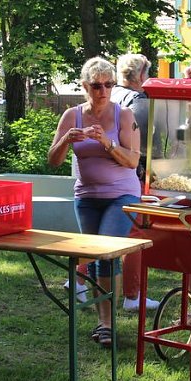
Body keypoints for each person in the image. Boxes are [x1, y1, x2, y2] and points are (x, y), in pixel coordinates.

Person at [47, 57, 142, 348]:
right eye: (97, 85)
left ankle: (108, 325)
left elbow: (133, 161)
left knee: (105, 252)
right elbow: (53, 161)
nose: (103, 90)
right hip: (87, 197)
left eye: (109, 84)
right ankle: (103, 321)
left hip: (122, 194)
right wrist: (66, 140)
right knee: (95, 256)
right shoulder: (71, 116)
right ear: (85, 86)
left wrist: (107, 143)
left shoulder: (123, 115)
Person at [110, 53, 160, 313]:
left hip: (108, 173)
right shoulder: (137, 99)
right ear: (140, 75)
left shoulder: (111, 95)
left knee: (108, 231)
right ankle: (133, 295)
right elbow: (145, 143)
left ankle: (80, 281)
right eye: (147, 73)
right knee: (135, 233)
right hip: (129, 173)